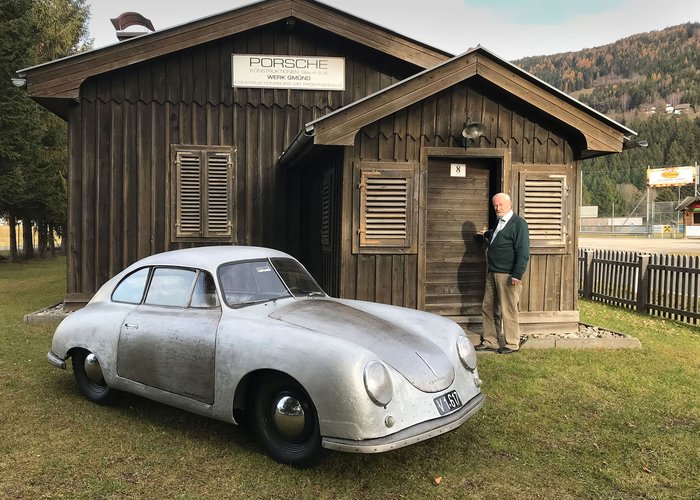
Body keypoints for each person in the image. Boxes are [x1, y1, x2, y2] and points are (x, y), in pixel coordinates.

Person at [476, 192, 530, 354]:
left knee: (508, 309)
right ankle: (490, 340)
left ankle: (512, 343)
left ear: (509, 205)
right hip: (492, 273)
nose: (497, 208)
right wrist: (486, 234)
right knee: (488, 307)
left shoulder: (519, 223)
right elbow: (497, 235)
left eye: (500, 205)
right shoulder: (499, 221)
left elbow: (523, 251)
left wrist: (517, 274)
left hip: (508, 275)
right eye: (495, 206)